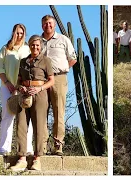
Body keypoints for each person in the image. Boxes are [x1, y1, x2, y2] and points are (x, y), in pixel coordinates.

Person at [10, 35, 55, 171]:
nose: (35, 47)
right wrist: (20, 87)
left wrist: (40, 88)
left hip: (40, 94)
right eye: (32, 45)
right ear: (29, 45)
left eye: (37, 45)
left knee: (39, 126)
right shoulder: (23, 61)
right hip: (24, 95)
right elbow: (18, 80)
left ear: (40, 46)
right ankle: (22, 158)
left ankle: (37, 159)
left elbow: (51, 80)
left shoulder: (46, 60)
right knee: (21, 125)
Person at [0, 23, 34, 156]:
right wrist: (7, 83)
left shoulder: (28, 49)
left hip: (24, 88)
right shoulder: (5, 49)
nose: (19, 35)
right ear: (13, 33)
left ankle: (27, 149)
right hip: (7, 87)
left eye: (22, 33)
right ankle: (4, 149)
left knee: (26, 118)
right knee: (7, 116)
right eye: (17, 32)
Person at [41, 15, 77, 155]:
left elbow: (73, 58)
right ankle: (42, 146)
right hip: (42, 81)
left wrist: (65, 68)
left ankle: (58, 146)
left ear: (54, 25)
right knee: (41, 113)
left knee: (59, 113)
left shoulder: (63, 39)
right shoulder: (38, 41)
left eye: (50, 23)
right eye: (45, 24)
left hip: (59, 79)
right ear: (42, 25)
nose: (47, 26)